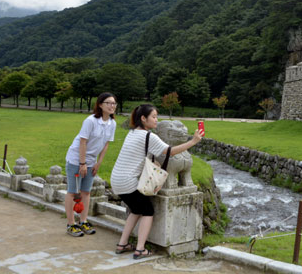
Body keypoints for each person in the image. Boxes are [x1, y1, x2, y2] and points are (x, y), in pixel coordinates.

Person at [111, 104, 202, 259]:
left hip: (116, 180)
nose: (156, 120)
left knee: (136, 210)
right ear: (143, 118)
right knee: (147, 211)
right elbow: (171, 152)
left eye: (156, 116)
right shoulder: (149, 136)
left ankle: (122, 243)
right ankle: (140, 249)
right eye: (153, 117)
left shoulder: (132, 133)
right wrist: (193, 141)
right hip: (128, 182)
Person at [64, 92, 117, 237]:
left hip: (91, 162)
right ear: (100, 104)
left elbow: (106, 145)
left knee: (86, 192)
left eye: (114, 103)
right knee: (73, 192)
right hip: (76, 159)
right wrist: (82, 163)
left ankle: (83, 221)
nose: (112, 106)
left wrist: (98, 163)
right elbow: (83, 142)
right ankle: (71, 224)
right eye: (109, 103)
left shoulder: (112, 123)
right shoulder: (91, 121)